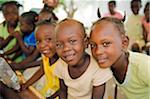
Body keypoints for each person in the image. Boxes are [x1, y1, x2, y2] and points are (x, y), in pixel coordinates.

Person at [89, 17, 150, 99]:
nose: (98, 51)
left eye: (106, 44)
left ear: (124, 43)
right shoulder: (103, 66)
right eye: (93, 45)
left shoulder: (144, 65)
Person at [54, 18, 112, 99]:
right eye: (59, 45)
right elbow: (63, 91)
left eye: (72, 41)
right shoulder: (61, 65)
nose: (66, 49)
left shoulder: (98, 69)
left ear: (85, 43)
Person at [21, 20, 60, 98]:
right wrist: (26, 84)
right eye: (38, 41)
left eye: (48, 39)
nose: (42, 45)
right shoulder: (45, 56)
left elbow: (64, 89)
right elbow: (42, 70)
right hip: (46, 91)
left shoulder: (63, 62)